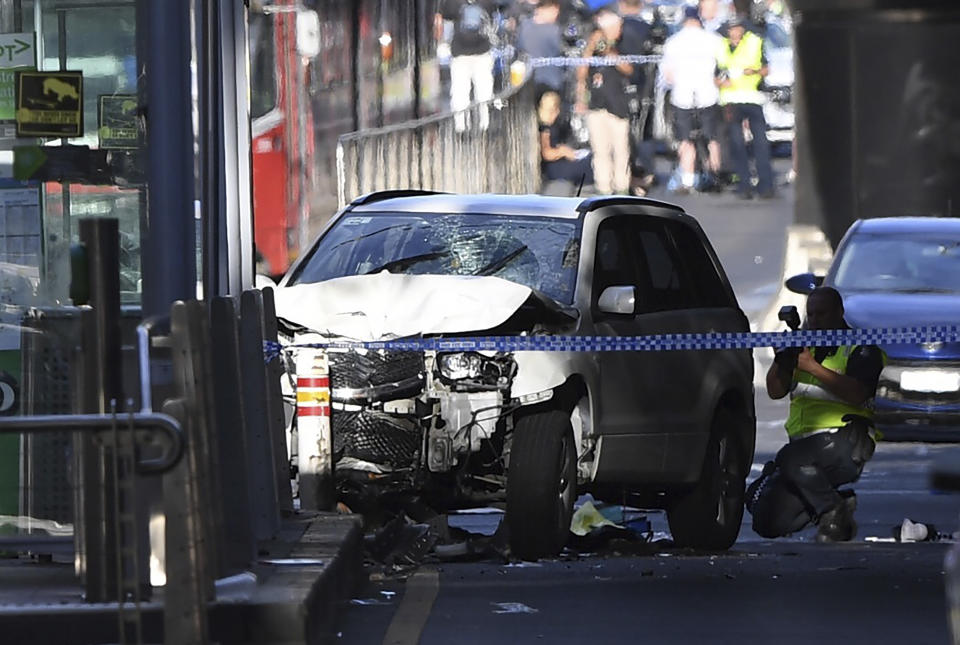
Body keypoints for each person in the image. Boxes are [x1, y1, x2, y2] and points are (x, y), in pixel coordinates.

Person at [747, 287, 886, 542]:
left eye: (822, 314)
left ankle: (830, 509)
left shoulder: (860, 345)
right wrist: (783, 360)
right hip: (806, 449)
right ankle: (838, 506)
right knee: (765, 515)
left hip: (847, 439)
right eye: (811, 314)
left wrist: (812, 367)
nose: (815, 320)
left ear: (840, 312)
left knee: (790, 458)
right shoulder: (803, 345)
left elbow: (857, 393)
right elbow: (775, 391)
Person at [659, 5, 723, 194]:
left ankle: (688, 180)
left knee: (685, 140)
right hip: (709, 94)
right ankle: (715, 174)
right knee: (712, 138)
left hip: (683, 96)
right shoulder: (714, 40)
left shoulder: (673, 42)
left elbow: (667, 75)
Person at [575, 9, 634, 195]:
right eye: (615, 27)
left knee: (621, 149)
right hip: (596, 105)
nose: (619, 30)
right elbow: (581, 74)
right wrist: (591, 47)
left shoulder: (623, 44)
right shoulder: (593, 47)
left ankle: (622, 186)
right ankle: (603, 187)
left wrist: (611, 52)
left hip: (618, 105)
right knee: (600, 150)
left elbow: (629, 70)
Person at [716, 16, 775, 198]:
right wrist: (720, 83)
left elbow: (766, 69)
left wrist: (754, 71)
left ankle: (765, 185)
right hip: (731, 100)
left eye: (738, 28)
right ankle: (744, 184)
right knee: (736, 144)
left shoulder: (755, 42)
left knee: (760, 143)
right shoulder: (722, 47)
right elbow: (716, 74)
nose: (735, 32)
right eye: (732, 29)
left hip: (752, 97)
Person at [436, 0, 497, 132]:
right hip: (480, 52)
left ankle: (462, 125)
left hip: (462, 53)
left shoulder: (453, 3)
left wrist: (444, 43)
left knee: (461, 90)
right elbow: (492, 18)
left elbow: (445, 20)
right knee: (482, 90)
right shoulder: (486, 3)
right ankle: (482, 123)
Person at [618, 0, 657, 195]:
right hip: (644, 86)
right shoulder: (646, 28)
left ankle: (633, 172)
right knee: (643, 131)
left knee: (628, 132)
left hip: (622, 86)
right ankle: (646, 172)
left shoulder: (620, 28)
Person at [537, 90, 593, 191]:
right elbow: (547, 153)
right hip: (555, 168)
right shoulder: (545, 128)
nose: (558, 112)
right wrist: (562, 152)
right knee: (588, 165)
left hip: (560, 162)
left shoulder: (554, 124)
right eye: (555, 110)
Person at [515, 0, 565, 103]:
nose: (556, 15)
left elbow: (519, 48)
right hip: (551, 82)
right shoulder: (553, 30)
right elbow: (563, 52)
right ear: (542, 10)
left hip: (527, 81)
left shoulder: (524, 26)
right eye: (554, 11)